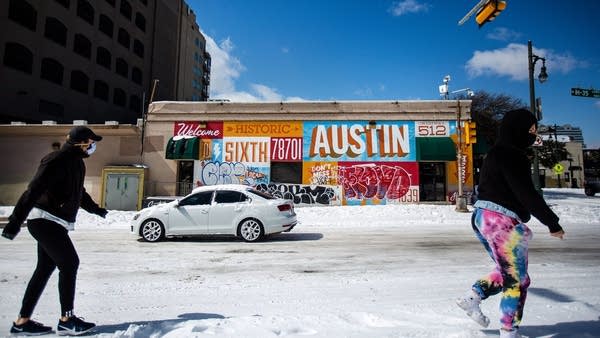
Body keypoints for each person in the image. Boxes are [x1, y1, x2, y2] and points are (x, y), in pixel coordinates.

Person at [456, 109, 565, 338]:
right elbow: (527, 193)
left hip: (482, 217)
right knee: (516, 280)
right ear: (517, 130)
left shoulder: (494, 154)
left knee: (507, 272)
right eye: (531, 130)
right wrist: (552, 222)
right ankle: (509, 332)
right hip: (501, 221)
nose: (534, 135)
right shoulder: (513, 155)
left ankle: (473, 297)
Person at [2, 126, 108, 336]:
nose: (93, 145)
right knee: (70, 263)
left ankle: (22, 322)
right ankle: (67, 319)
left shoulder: (77, 163)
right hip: (44, 220)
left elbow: (80, 192)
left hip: (56, 222)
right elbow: (33, 190)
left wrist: (95, 209)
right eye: (91, 141)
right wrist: (15, 222)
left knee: (44, 269)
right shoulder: (56, 159)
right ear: (80, 142)